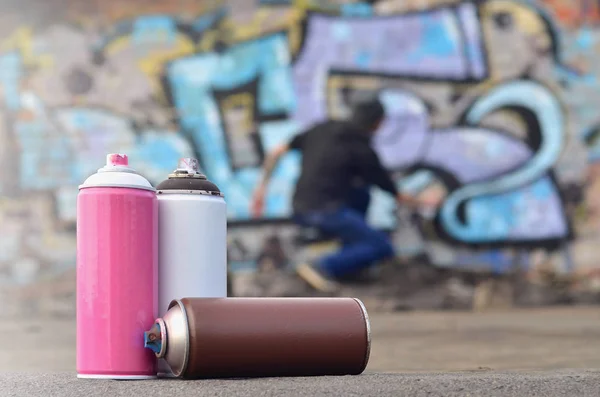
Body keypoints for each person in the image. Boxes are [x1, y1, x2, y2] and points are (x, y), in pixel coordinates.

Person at [251, 97, 435, 292]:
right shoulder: (362, 151)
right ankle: (323, 267)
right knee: (382, 246)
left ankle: (351, 269)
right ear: (378, 123)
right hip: (327, 212)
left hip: (300, 207)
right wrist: (424, 201)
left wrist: (260, 191)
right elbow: (394, 193)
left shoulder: (321, 129)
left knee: (361, 191)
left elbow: (276, 152)